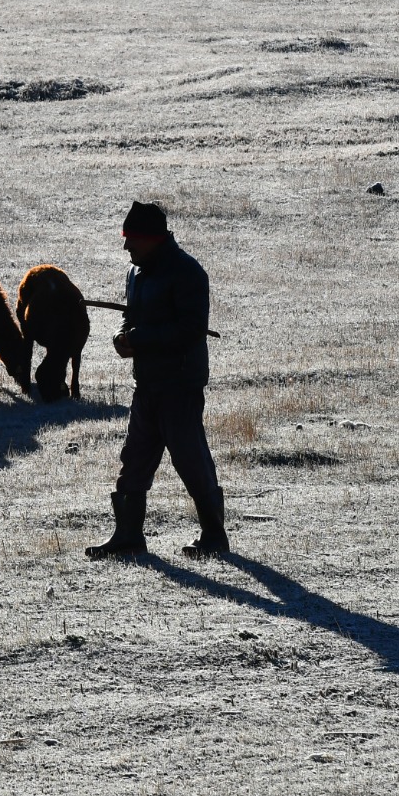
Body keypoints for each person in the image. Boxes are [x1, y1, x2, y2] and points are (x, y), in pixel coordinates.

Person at [86, 201, 228, 560]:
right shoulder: (136, 273)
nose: (126, 246)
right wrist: (121, 337)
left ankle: (214, 536)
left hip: (180, 386)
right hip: (147, 384)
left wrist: (139, 339)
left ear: (152, 238)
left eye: (131, 238)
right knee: (133, 459)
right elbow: (130, 317)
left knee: (190, 460)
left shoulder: (187, 273)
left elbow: (191, 330)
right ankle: (128, 537)